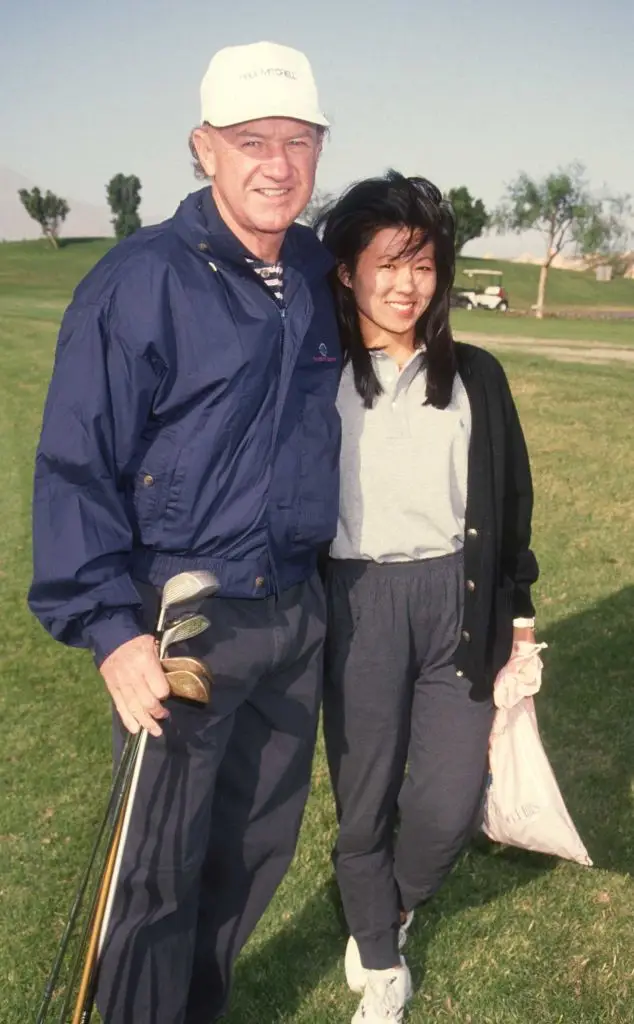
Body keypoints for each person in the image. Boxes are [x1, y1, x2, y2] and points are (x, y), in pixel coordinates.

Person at [28, 41, 341, 1024]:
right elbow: (76, 462)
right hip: (183, 624)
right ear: (203, 147)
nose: (277, 164)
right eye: (252, 140)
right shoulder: (139, 280)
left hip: (292, 614)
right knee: (157, 874)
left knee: (250, 854)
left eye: (298, 141)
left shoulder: (316, 271)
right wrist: (109, 627)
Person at [316, 171, 539, 1024]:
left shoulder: (477, 375)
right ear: (347, 272)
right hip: (358, 602)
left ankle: (390, 904)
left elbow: (510, 504)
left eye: (424, 264)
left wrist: (519, 619)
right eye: (388, 263)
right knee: (364, 798)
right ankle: (381, 961)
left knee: (447, 805)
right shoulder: (318, 376)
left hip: (459, 598)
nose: (407, 284)